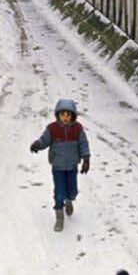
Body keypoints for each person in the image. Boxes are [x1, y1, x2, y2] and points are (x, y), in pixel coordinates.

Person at [30, 99, 91, 232]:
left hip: (72, 167)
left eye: (68, 115)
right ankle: (59, 216)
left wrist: (86, 159)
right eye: (63, 114)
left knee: (73, 191)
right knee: (59, 192)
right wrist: (37, 145)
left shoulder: (77, 129)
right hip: (57, 167)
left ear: (73, 116)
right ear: (58, 115)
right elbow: (44, 140)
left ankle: (69, 200)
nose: (65, 117)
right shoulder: (52, 129)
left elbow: (83, 144)